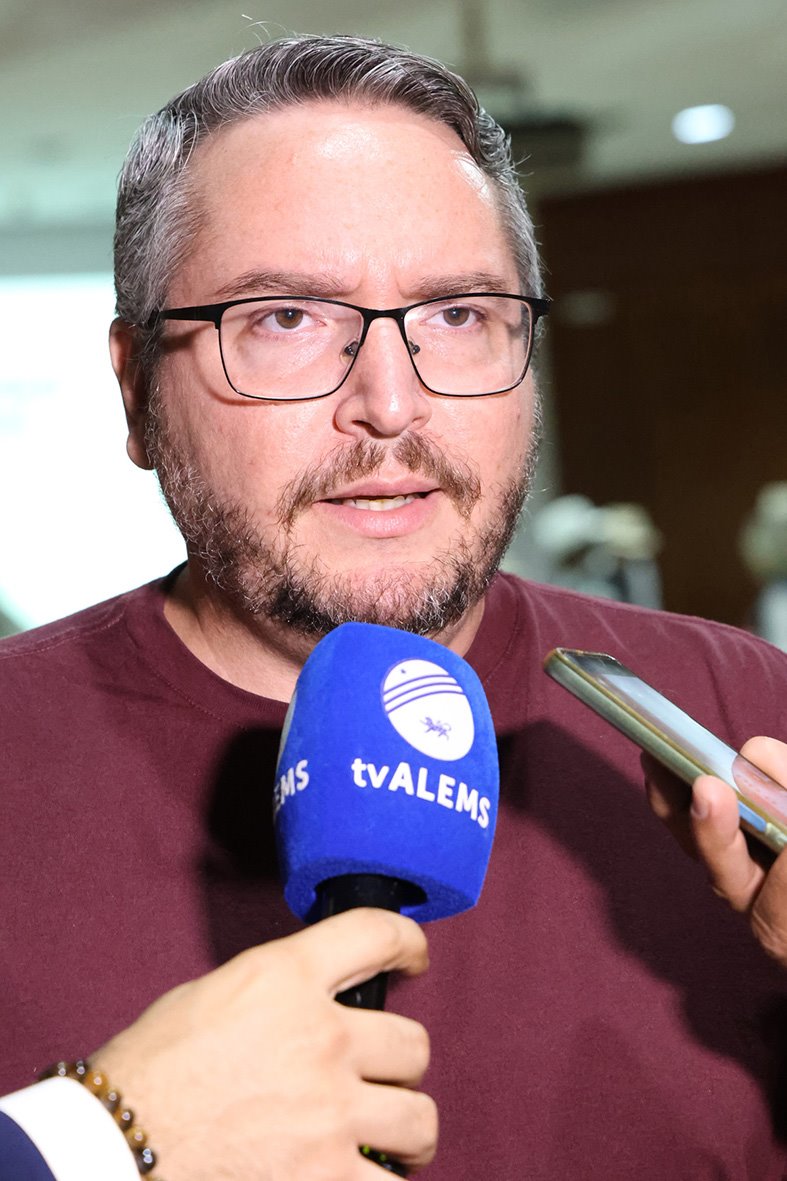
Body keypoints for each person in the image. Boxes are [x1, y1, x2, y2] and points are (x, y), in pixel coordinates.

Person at [2, 32, 787, 1181]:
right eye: (284, 318)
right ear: (135, 392)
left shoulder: (748, 716)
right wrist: (93, 1144)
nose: (390, 403)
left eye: (457, 314)